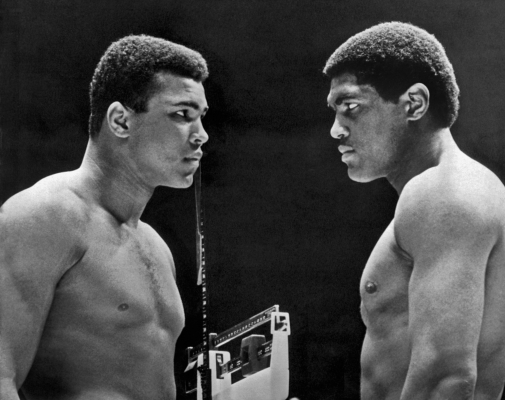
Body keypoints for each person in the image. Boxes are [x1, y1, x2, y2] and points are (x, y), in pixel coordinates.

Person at [0, 34, 209, 400]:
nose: (201, 136)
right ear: (120, 121)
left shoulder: (157, 248)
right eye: (182, 115)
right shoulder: (43, 216)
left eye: (201, 117)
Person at [324, 22, 505, 399]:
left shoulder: (443, 194)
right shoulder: (451, 191)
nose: (336, 130)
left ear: (415, 104)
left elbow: (446, 379)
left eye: (351, 108)